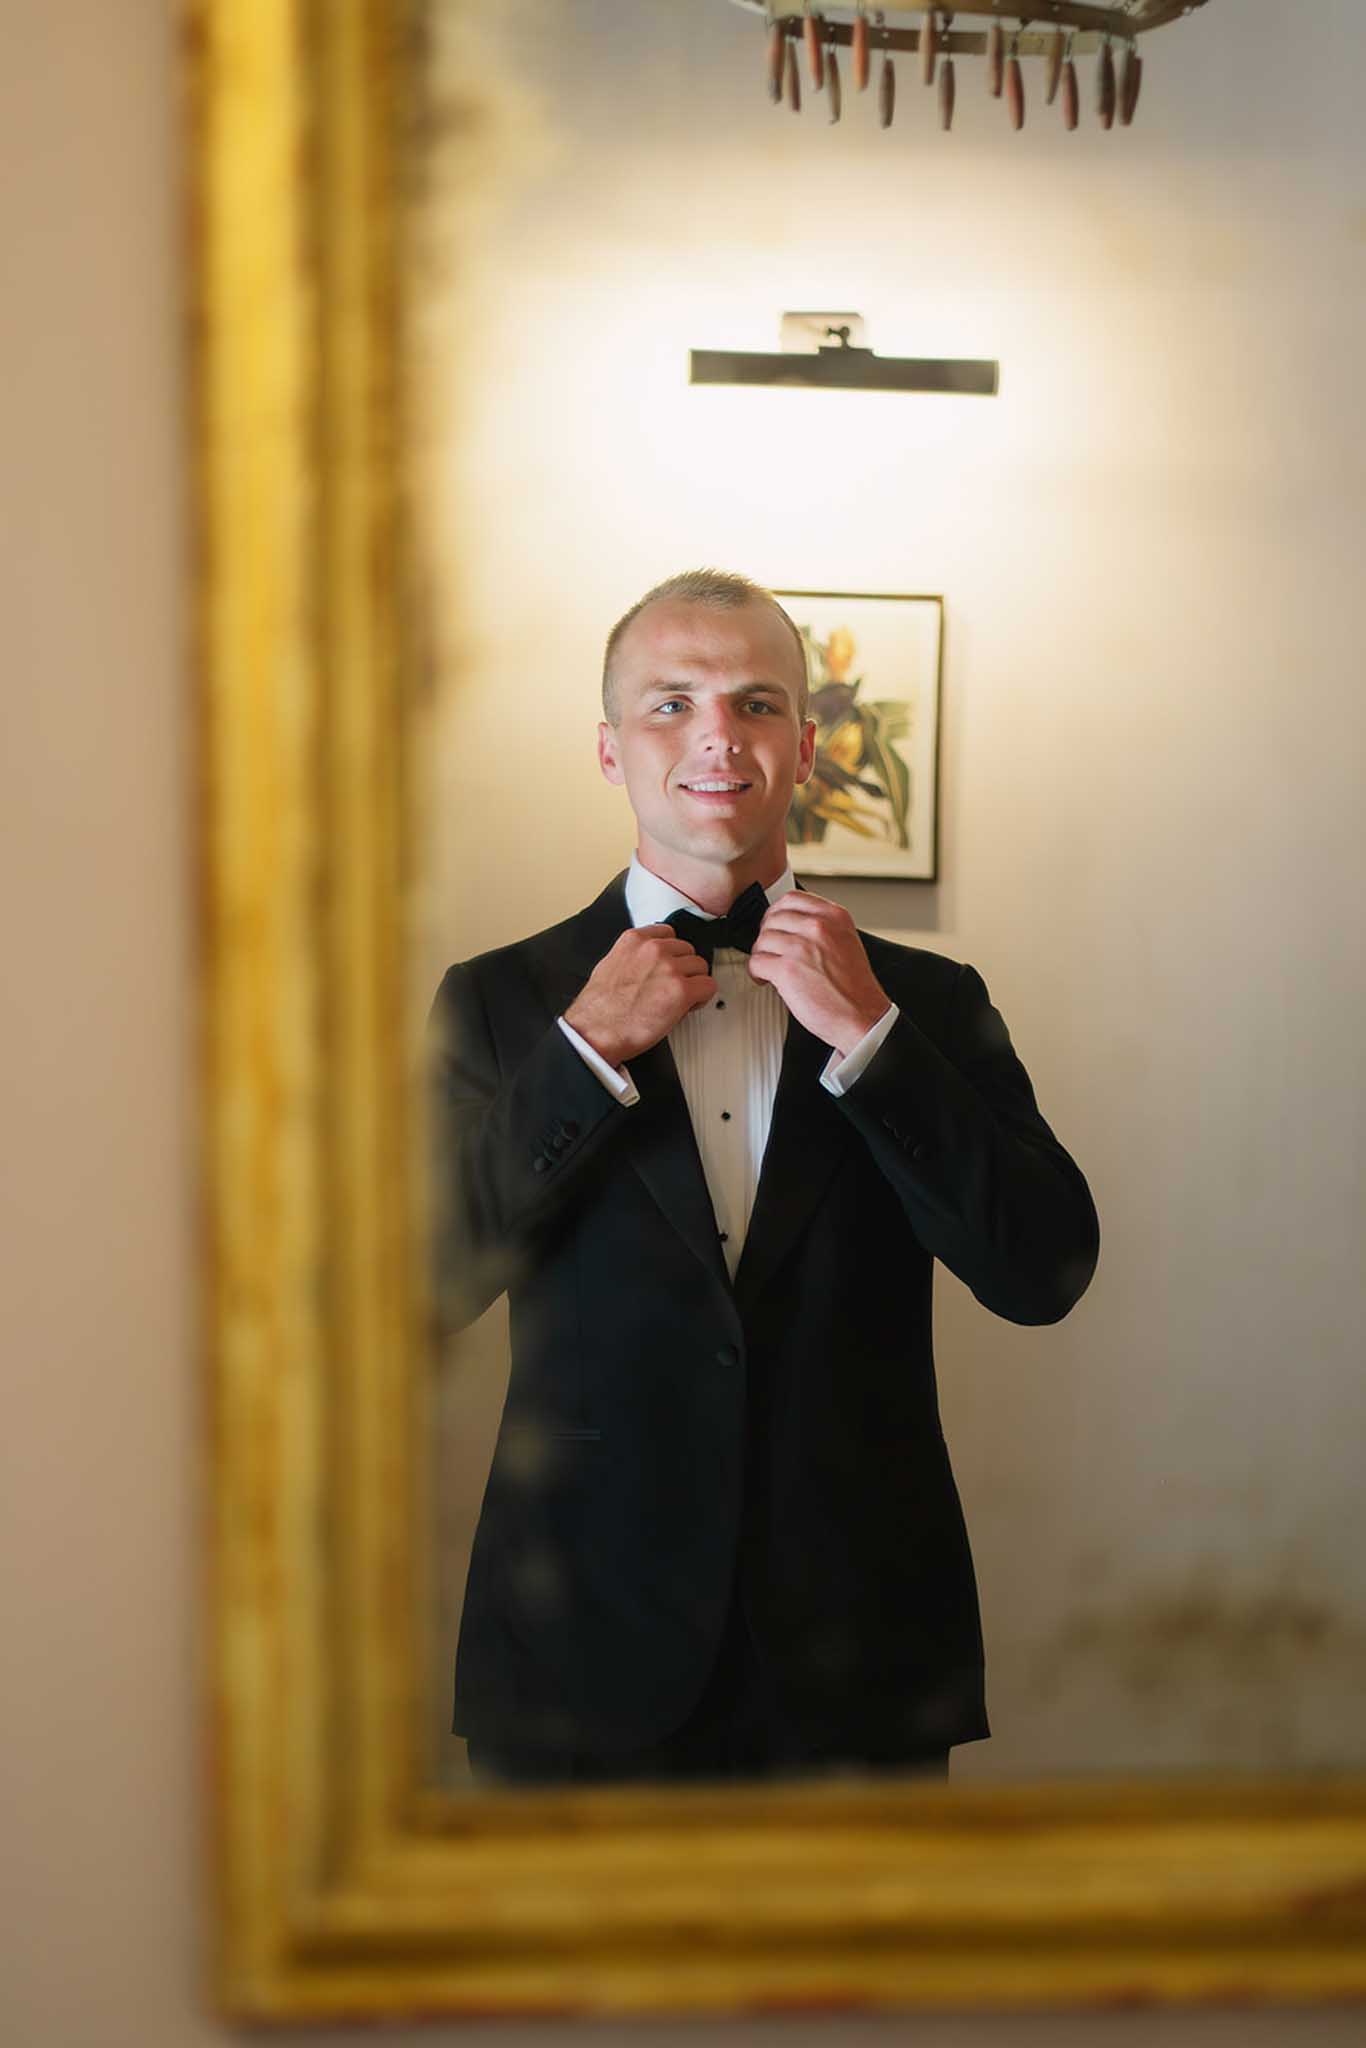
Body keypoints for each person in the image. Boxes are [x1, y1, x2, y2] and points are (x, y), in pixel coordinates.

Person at [427, 569, 1099, 1785]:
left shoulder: (930, 1004)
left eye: (754, 702)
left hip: (861, 1667)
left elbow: (1043, 1268)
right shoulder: (498, 1000)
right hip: (578, 1654)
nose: (715, 738)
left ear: (806, 741)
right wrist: (580, 1054)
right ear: (608, 747)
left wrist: (877, 1042)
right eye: (670, 704)